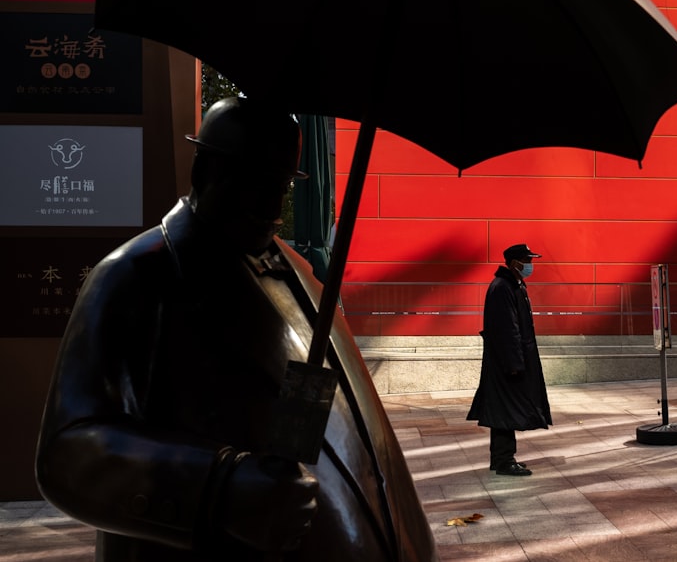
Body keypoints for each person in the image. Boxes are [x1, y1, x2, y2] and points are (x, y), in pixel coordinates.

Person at [35, 97, 438, 561]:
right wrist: (221, 486)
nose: (272, 205)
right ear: (206, 170)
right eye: (255, 184)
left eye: (282, 185)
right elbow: (69, 451)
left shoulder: (298, 271)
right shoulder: (135, 276)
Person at [466, 243, 552, 477]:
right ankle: (504, 460)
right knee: (505, 411)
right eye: (528, 261)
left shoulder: (512, 284)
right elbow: (507, 329)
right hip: (507, 363)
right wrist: (515, 363)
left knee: (505, 409)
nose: (530, 265)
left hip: (509, 360)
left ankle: (502, 458)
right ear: (515, 263)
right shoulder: (503, 287)